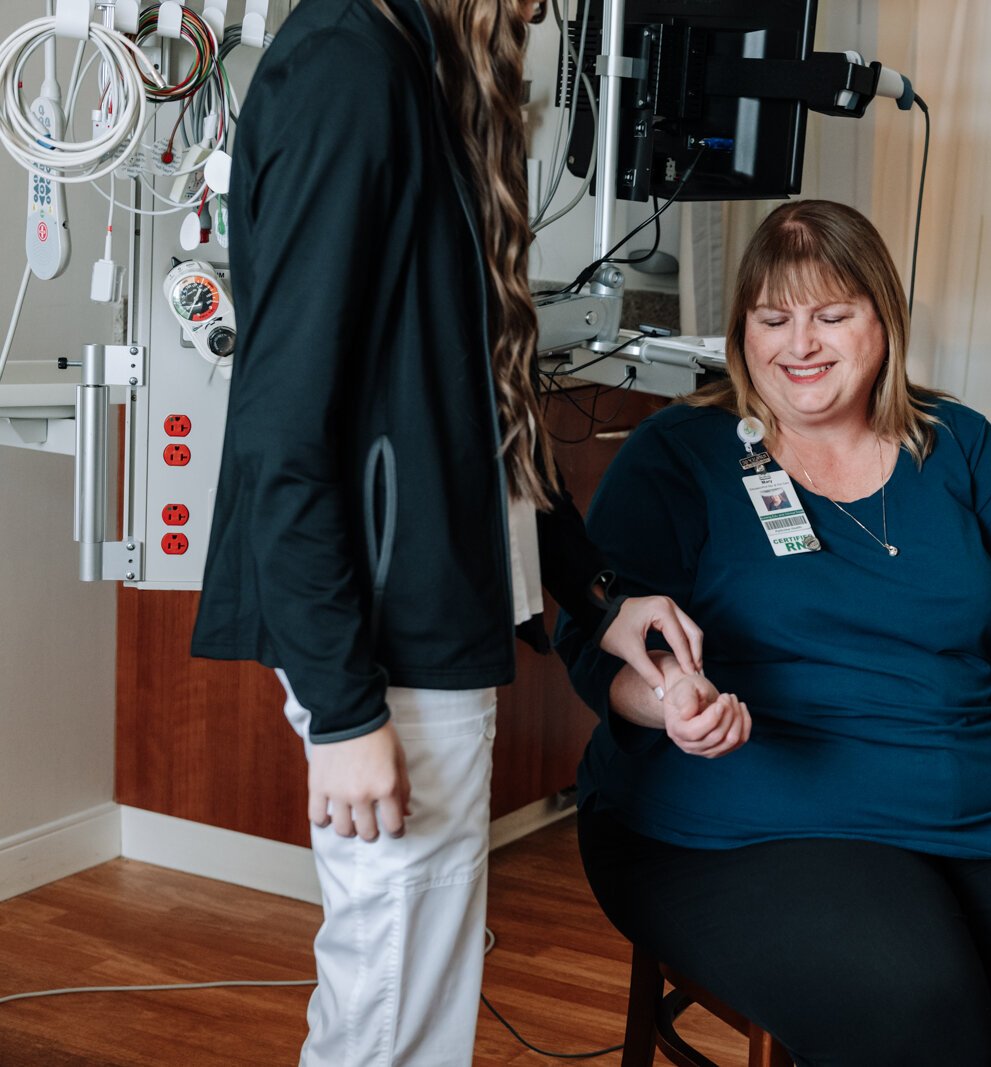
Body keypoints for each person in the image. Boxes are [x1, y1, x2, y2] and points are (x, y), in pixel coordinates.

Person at [188, 1, 722, 1063]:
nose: (542, 9)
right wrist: (342, 711)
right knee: (390, 1002)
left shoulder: (419, 68)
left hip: (421, 614)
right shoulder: (351, 67)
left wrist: (598, 595)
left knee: (417, 985)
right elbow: (281, 425)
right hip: (382, 638)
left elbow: (470, 411)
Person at [557, 200, 991, 1065]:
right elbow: (594, 635)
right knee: (916, 1001)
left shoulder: (960, 448)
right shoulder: (681, 455)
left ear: (884, 319)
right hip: (752, 820)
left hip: (973, 805)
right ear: (743, 331)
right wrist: (671, 699)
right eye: (774, 318)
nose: (798, 344)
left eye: (831, 315)